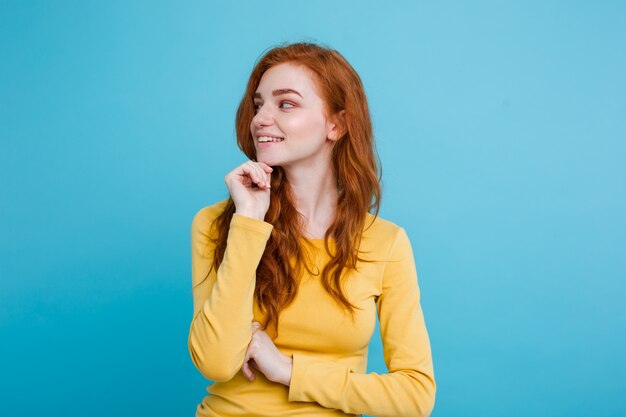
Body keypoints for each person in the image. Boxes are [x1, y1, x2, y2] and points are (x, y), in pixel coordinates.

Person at [188, 41, 436, 417]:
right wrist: (249, 222)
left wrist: (288, 371)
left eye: (285, 104)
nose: (260, 119)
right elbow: (216, 362)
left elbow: (415, 395)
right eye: (259, 105)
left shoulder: (385, 243)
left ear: (335, 124)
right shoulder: (220, 223)